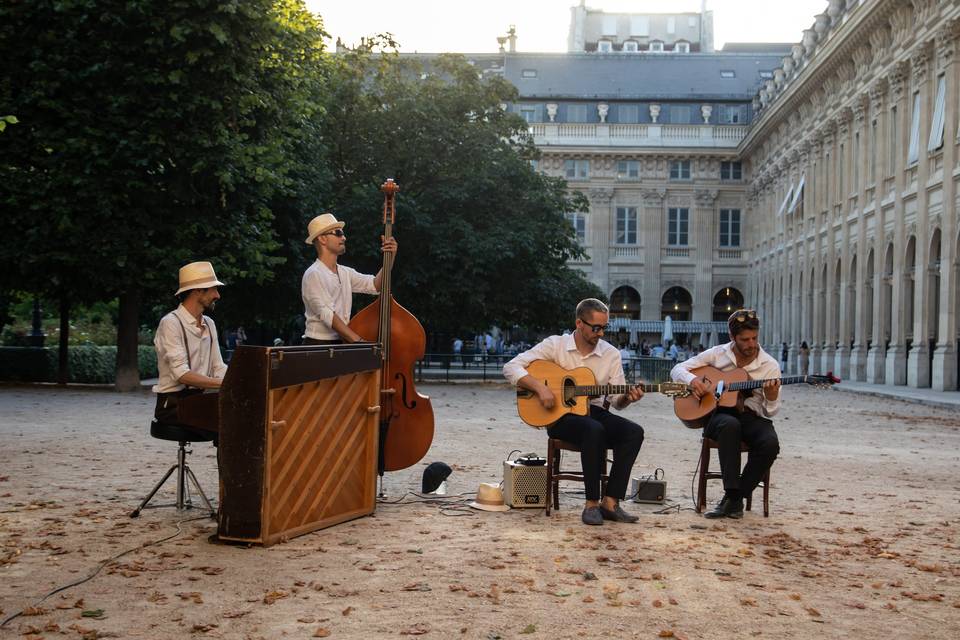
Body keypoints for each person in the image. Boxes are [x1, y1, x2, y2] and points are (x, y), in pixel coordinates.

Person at [503, 298, 646, 526]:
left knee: (633, 432)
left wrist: (628, 397)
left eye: (604, 328)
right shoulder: (555, 345)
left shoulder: (611, 354)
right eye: (595, 327)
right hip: (560, 417)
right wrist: (541, 388)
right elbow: (510, 367)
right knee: (593, 429)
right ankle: (591, 504)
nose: (600, 333)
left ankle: (610, 501)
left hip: (594, 412)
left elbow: (616, 402)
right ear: (579, 323)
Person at [670, 309, 781, 519]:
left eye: (754, 338)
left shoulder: (769, 365)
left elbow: (770, 412)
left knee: (770, 443)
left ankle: (735, 499)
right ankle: (732, 496)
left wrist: (772, 395)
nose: (751, 344)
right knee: (730, 426)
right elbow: (677, 369)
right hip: (717, 414)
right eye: (745, 339)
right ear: (732, 337)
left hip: (752, 416)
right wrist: (693, 381)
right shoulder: (717, 353)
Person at [301, 212, 397, 344]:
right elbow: (328, 315)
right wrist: (358, 341)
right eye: (338, 233)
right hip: (318, 345)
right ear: (322, 239)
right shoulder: (314, 274)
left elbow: (375, 285)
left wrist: (390, 257)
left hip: (341, 342)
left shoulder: (345, 272)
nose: (344, 238)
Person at [153, 261, 228, 424]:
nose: (217, 295)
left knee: (240, 412)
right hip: (171, 404)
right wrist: (225, 383)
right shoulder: (170, 323)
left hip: (198, 400)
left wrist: (239, 379)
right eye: (213, 289)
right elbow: (182, 375)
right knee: (230, 420)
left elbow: (218, 367)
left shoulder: (209, 323)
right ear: (197, 291)